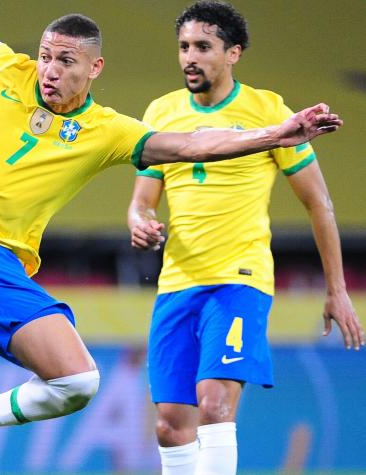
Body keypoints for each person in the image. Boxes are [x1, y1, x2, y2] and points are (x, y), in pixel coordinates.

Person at [0, 3, 343, 473]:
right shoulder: (2, 67)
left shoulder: (108, 130)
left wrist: (273, 135)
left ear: (94, 69)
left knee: (77, 383)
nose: (50, 69)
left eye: (66, 61)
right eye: (46, 56)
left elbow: (191, 144)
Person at [125, 2, 364, 474]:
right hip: (176, 284)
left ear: (233, 52)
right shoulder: (161, 111)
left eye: (203, 47)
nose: (190, 57)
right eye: (183, 47)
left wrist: (336, 290)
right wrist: (139, 219)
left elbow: (320, 204)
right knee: (170, 425)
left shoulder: (268, 111)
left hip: (240, 281)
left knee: (214, 405)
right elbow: (142, 199)